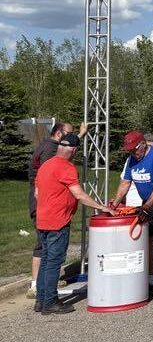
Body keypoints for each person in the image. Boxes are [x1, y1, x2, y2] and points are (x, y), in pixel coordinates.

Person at [34, 133, 113, 314]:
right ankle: (50, 302)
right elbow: (79, 194)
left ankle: (40, 300)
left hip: (42, 220)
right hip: (57, 221)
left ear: (60, 146)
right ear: (74, 150)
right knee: (54, 262)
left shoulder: (45, 166)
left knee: (45, 260)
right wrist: (100, 207)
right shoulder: (67, 168)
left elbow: (38, 194)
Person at [110, 131, 153, 298]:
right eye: (130, 152)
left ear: (143, 144)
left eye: (134, 150)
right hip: (148, 200)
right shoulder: (132, 160)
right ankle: (151, 278)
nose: (133, 154)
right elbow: (125, 183)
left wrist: (147, 206)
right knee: (147, 238)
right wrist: (113, 206)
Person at [26, 120, 87, 300]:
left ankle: (41, 296)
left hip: (44, 209)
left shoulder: (49, 147)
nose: (71, 135)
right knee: (50, 256)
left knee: (46, 254)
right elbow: (44, 183)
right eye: (69, 132)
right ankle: (45, 296)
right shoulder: (51, 154)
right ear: (59, 133)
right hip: (50, 212)